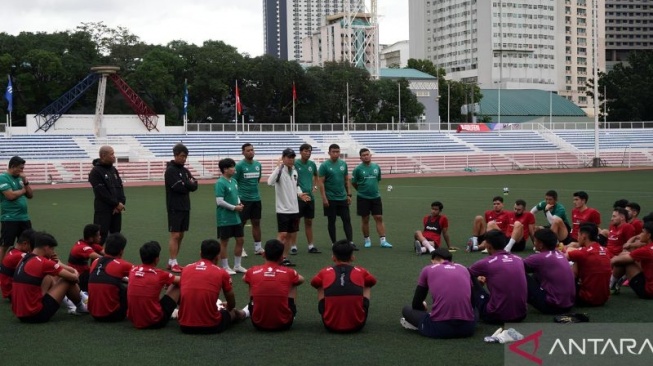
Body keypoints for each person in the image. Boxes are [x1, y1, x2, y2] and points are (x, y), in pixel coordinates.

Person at [11, 232, 88, 322]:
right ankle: (80, 307)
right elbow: (74, 278)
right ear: (46, 248)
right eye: (52, 249)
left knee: (49, 276)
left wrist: (54, 263)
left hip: (20, 314)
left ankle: (76, 302)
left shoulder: (24, 259)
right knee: (67, 280)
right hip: (36, 315)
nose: (53, 252)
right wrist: (75, 271)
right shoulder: (43, 262)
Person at [400, 248, 475, 338]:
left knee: (406, 309)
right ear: (452, 261)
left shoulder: (428, 269)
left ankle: (426, 322)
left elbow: (416, 304)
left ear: (433, 261)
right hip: (467, 329)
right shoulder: (463, 269)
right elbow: (473, 301)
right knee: (475, 310)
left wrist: (422, 307)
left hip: (439, 329)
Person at [178, 239, 246, 334]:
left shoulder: (186, 269)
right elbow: (232, 302)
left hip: (184, 326)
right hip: (211, 326)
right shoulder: (222, 272)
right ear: (218, 256)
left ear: (200, 253)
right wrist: (230, 307)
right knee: (233, 312)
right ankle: (244, 313)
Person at [310, 240, 377, 333]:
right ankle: (357, 313)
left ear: (333, 258)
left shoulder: (325, 271)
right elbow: (373, 281)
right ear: (352, 257)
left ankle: (328, 313)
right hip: (358, 325)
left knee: (320, 285)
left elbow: (314, 283)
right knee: (367, 284)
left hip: (330, 325)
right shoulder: (361, 270)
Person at [243, 239, 304, 331]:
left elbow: (244, 278)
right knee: (293, 282)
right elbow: (301, 279)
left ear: (264, 254)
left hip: (257, 323)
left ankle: (252, 308)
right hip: (284, 323)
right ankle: (290, 313)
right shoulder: (289, 272)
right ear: (282, 258)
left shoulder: (252, 270)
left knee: (251, 281)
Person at [468, 229, 527, 324]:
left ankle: (460, 311)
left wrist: (477, 282)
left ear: (488, 245)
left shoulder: (486, 262)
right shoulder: (519, 259)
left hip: (496, 316)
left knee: (467, 277)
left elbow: (463, 274)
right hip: (521, 315)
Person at [267, 148, 310, 267]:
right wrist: (278, 167)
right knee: (282, 235)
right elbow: (269, 182)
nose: (291, 159)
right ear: (283, 158)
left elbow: (296, 186)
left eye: (292, 157)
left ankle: (284, 258)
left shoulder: (295, 171)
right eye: (288, 157)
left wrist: (300, 194)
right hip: (283, 209)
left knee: (290, 235)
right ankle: (274, 258)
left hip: (294, 209)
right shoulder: (280, 170)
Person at [127, 241, 180, 329]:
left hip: (134, 320)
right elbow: (182, 281)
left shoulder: (133, 270)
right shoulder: (160, 274)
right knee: (177, 286)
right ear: (156, 259)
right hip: (155, 322)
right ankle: (188, 313)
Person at [523, 228, 576, 314]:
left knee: (518, 274)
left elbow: (515, 267)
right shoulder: (560, 254)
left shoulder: (539, 258)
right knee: (537, 273)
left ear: (541, 244)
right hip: (569, 304)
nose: (534, 243)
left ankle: (512, 303)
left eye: (535, 241)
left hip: (553, 307)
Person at [165, 143, 198, 273]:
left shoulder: (184, 170)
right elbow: (178, 187)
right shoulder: (170, 170)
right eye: (182, 156)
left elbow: (195, 185)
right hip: (174, 206)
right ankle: (173, 262)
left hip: (185, 205)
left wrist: (187, 183)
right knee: (175, 235)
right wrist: (188, 184)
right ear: (176, 155)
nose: (184, 159)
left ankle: (172, 261)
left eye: (185, 156)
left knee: (181, 234)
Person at [351, 148, 392, 248]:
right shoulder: (358, 169)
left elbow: (377, 180)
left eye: (367, 154)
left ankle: (383, 240)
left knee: (379, 217)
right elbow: (354, 182)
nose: (366, 156)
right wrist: (361, 190)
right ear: (360, 157)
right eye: (363, 155)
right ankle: (367, 240)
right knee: (365, 219)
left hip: (375, 197)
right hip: (363, 197)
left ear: (370, 155)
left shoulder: (376, 167)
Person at [88, 233, 133, 322]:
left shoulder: (95, 262)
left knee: (114, 282)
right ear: (121, 251)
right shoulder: (122, 264)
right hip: (113, 315)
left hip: (93, 314)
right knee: (131, 286)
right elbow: (142, 273)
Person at [318, 144, 355, 250]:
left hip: (342, 198)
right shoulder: (324, 166)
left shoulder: (343, 164)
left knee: (347, 220)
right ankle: (334, 243)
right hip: (330, 198)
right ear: (329, 153)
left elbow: (346, 180)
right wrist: (324, 198)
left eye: (337, 151)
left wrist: (349, 194)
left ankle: (350, 242)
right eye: (333, 151)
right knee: (331, 221)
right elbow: (321, 183)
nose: (336, 153)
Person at [565, 223, 611, 306]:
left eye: (578, 234)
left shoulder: (583, 253)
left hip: (586, 299)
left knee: (560, 271)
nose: (577, 237)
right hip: (603, 299)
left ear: (584, 236)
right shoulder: (605, 250)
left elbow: (560, 259)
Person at [215, 158, 246, 275]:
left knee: (240, 239)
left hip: (235, 217)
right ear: (225, 169)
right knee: (224, 242)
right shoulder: (220, 183)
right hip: (224, 218)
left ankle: (237, 265)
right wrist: (234, 207)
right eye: (232, 167)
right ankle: (225, 267)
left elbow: (236, 195)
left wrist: (239, 203)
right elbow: (219, 201)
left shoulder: (234, 181)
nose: (234, 169)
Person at [88, 146, 125, 244]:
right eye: (112, 154)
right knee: (100, 238)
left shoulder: (113, 170)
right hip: (103, 211)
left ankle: (113, 259)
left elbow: (120, 188)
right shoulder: (95, 172)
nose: (114, 156)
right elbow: (101, 193)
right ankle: (96, 260)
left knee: (116, 238)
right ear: (103, 156)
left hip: (116, 210)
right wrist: (116, 204)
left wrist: (121, 203)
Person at [0, 156, 33, 263]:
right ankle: (1, 268)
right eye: (20, 168)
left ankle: (25, 266)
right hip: (10, 218)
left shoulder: (20, 178)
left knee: (29, 243)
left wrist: (26, 182)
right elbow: (10, 196)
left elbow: (30, 195)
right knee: (5, 244)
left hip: (24, 217)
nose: (22, 171)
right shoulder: (3, 177)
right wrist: (24, 189)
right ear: (13, 167)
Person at [289, 143, 321, 255]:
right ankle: (293, 246)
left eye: (309, 151)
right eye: (306, 151)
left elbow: (316, 175)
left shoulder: (312, 164)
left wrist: (315, 186)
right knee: (295, 222)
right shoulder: (295, 164)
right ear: (301, 152)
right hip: (298, 198)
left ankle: (311, 245)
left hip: (310, 198)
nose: (308, 153)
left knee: (309, 222)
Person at [610, 223, 653, 299]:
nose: (640, 235)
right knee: (628, 255)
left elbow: (615, 261)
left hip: (649, 292)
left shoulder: (646, 250)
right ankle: (618, 281)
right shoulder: (647, 248)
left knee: (625, 260)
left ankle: (610, 285)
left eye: (642, 232)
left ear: (649, 235)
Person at [234, 143, 262, 255]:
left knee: (256, 222)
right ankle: (241, 248)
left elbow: (257, 180)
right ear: (243, 152)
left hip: (256, 199)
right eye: (248, 150)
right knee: (242, 223)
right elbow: (235, 182)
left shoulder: (258, 165)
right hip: (243, 199)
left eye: (252, 150)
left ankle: (258, 247)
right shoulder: (239, 166)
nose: (251, 152)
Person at [67, 224, 104, 292]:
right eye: (98, 235)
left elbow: (106, 253)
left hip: (84, 273)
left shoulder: (90, 244)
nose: (100, 237)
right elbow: (103, 258)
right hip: (78, 277)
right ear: (91, 238)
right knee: (102, 275)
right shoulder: (83, 248)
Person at [0, 228, 34, 299]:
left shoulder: (12, 251)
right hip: (12, 292)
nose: (33, 249)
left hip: (10, 290)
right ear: (25, 243)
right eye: (32, 246)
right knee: (47, 276)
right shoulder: (20, 255)